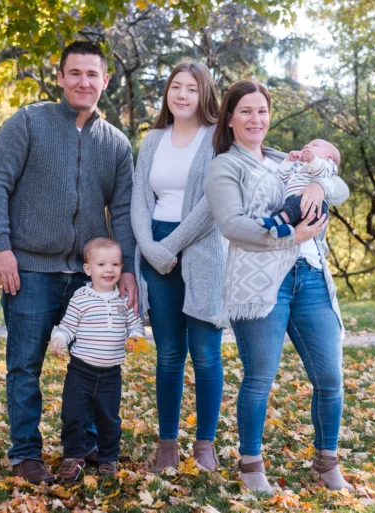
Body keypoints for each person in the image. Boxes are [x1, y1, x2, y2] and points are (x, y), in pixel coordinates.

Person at [0, 41, 138, 485]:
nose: (84, 82)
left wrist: (124, 270)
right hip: (29, 268)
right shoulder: (28, 122)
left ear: (105, 81)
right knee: (25, 365)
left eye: (93, 74)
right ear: (61, 78)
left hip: (90, 278)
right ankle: (26, 453)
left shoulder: (116, 144)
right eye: (75, 73)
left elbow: (123, 210)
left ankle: (85, 446)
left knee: (92, 365)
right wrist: (2, 246)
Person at [204, 80, 354, 494]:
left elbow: (339, 185)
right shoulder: (224, 166)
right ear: (230, 118)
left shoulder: (283, 159)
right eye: (246, 111)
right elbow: (232, 225)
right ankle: (251, 466)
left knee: (330, 376)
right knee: (259, 379)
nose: (256, 119)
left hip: (309, 278)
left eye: (262, 111)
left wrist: (318, 184)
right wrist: (292, 237)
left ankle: (327, 462)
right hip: (258, 284)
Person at [130, 62, 226, 472]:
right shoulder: (152, 139)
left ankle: (205, 445)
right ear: (167, 93)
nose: (182, 94)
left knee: (206, 353)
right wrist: (151, 248)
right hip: (155, 248)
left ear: (204, 94)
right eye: (175, 87)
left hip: (202, 250)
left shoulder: (217, 138)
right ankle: (167, 445)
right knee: (169, 353)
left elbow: (214, 202)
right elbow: (138, 198)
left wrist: (169, 246)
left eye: (191, 88)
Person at [48, 238, 145, 482]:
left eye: (115, 264)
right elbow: (68, 326)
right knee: (73, 415)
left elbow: (135, 325)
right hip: (81, 371)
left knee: (109, 418)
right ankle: (73, 457)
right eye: (101, 264)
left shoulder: (123, 299)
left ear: (122, 267)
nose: (109, 270)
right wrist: (59, 338)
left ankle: (108, 459)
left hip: (111, 373)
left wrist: (135, 337)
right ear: (88, 269)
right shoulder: (81, 297)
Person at [256, 139, 341, 238]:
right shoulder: (300, 168)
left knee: (293, 206)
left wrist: (313, 160)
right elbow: (280, 177)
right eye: (307, 144)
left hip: (314, 207)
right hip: (296, 206)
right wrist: (289, 161)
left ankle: (275, 221)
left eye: (314, 145)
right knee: (288, 208)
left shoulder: (327, 164)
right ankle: (285, 230)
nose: (307, 146)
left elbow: (321, 173)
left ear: (328, 157)